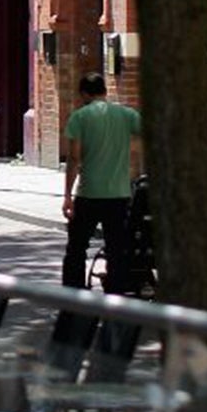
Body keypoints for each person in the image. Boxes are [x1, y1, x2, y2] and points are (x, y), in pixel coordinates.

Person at [61, 70, 144, 292]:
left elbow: (74, 158)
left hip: (89, 193)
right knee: (117, 248)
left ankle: (73, 291)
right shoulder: (126, 115)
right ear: (105, 92)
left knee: (77, 247)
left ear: (84, 94)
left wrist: (68, 196)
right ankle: (116, 290)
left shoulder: (79, 117)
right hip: (119, 194)